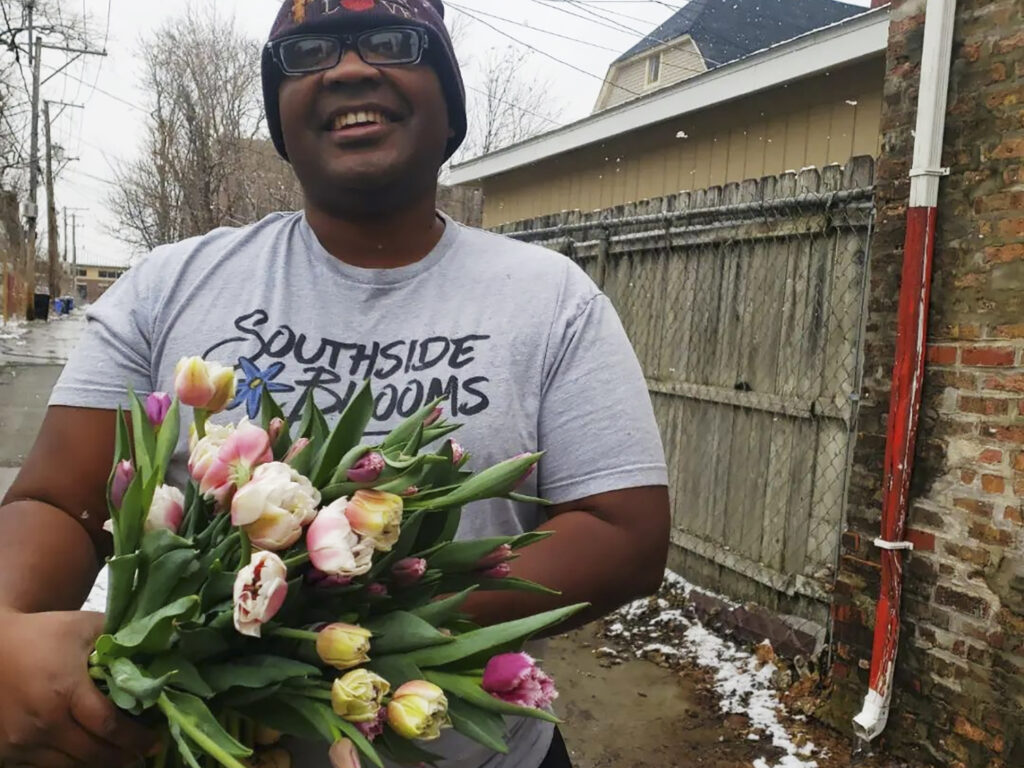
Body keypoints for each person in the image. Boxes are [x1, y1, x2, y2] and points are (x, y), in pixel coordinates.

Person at [0, 1, 670, 766]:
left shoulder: (551, 298)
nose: (349, 68)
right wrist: (4, 627)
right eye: (308, 51)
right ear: (280, 119)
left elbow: (626, 534)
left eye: (394, 42)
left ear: (448, 103)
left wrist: (343, 612)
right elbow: (59, 500)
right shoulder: (170, 284)